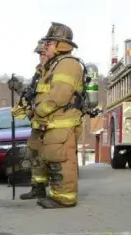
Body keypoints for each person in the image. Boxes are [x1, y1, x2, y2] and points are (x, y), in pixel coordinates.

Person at [30, 22, 84, 209]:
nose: (45, 47)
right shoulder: (56, 65)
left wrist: (38, 111)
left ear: (61, 45)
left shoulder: (68, 64)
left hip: (61, 124)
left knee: (63, 161)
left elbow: (59, 96)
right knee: (54, 160)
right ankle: (57, 195)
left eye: (49, 43)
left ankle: (64, 198)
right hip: (53, 124)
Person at [17, 40, 49, 200]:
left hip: (52, 123)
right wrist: (19, 90)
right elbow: (32, 95)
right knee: (35, 157)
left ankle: (59, 192)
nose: (40, 57)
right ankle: (38, 189)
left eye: (43, 53)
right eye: (39, 54)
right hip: (38, 124)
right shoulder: (39, 73)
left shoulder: (55, 70)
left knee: (51, 157)